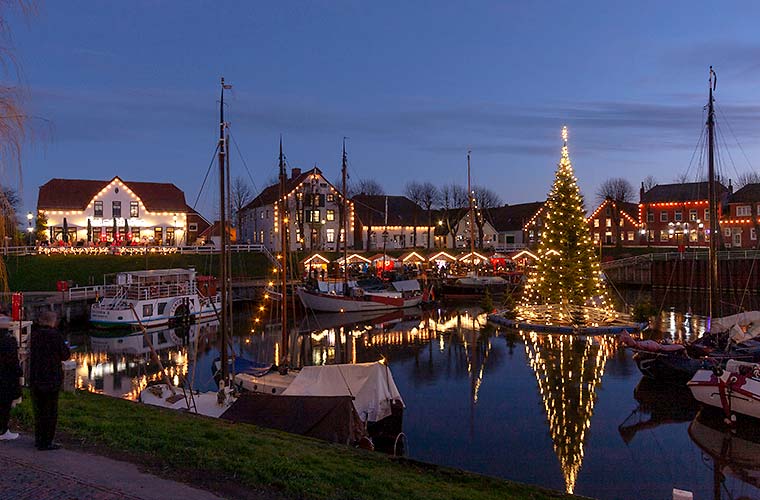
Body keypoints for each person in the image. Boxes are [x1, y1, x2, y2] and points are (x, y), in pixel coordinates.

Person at [29, 311, 70, 451]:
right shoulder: (55, 336)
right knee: (50, 411)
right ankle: (47, 441)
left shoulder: (34, 335)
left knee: (39, 410)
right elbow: (65, 355)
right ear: (52, 321)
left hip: (36, 377)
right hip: (51, 378)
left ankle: (39, 439)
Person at [0, 328, 22, 441]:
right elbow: (13, 362)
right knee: (5, 404)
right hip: (6, 378)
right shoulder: (9, 341)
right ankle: (3, 430)